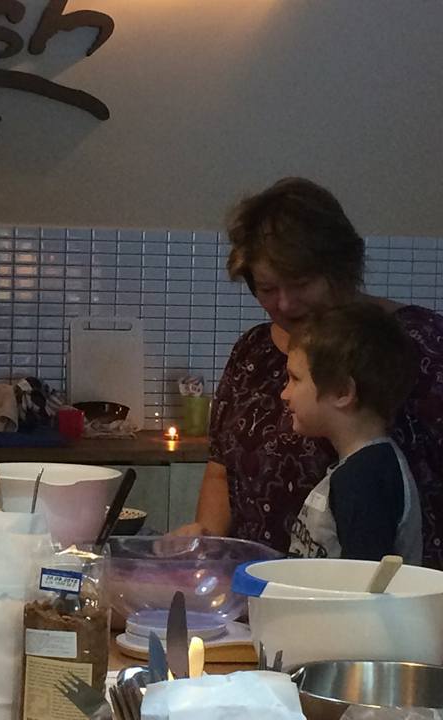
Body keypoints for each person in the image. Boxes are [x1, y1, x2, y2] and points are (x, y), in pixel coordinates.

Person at [174, 177, 443, 569]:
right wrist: (207, 539)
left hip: (385, 598)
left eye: (301, 283)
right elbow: (221, 472)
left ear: (341, 268)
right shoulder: (252, 353)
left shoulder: (423, 343)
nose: (284, 304)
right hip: (261, 593)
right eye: (267, 288)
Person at [283, 303, 421, 563]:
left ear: (342, 393)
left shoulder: (365, 479)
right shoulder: (363, 468)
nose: (284, 393)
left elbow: (363, 580)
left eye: (295, 379)